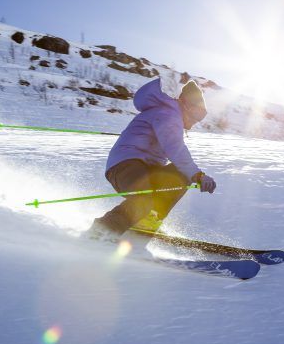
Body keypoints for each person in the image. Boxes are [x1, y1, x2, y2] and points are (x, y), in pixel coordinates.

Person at [86, 73, 216, 241]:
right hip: (124, 165)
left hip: (145, 167)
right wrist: (198, 174)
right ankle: (102, 231)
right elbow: (175, 149)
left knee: (180, 173)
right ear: (185, 104)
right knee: (144, 198)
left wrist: (192, 174)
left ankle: (145, 226)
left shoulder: (171, 115)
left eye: (200, 119)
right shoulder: (168, 114)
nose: (193, 124)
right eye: (195, 116)